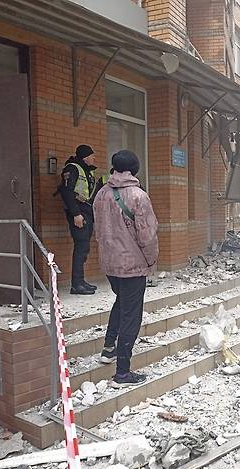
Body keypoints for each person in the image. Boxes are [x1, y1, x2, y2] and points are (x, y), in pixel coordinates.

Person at [93, 150, 159, 387]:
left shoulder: (101, 194)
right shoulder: (139, 196)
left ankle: (109, 348)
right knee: (131, 314)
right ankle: (122, 373)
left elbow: (98, 229)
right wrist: (151, 261)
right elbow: (148, 236)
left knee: (121, 302)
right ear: (135, 169)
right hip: (132, 265)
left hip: (110, 264)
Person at [56, 144, 100, 295]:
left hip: (86, 212)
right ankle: (76, 284)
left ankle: (80, 281)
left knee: (84, 247)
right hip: (78, 212)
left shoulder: (87, 171)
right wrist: (76, 214)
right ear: (86, 157)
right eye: (92, 155)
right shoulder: (72, 168)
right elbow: (67, 192)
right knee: (81, 247)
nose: (94, 158)